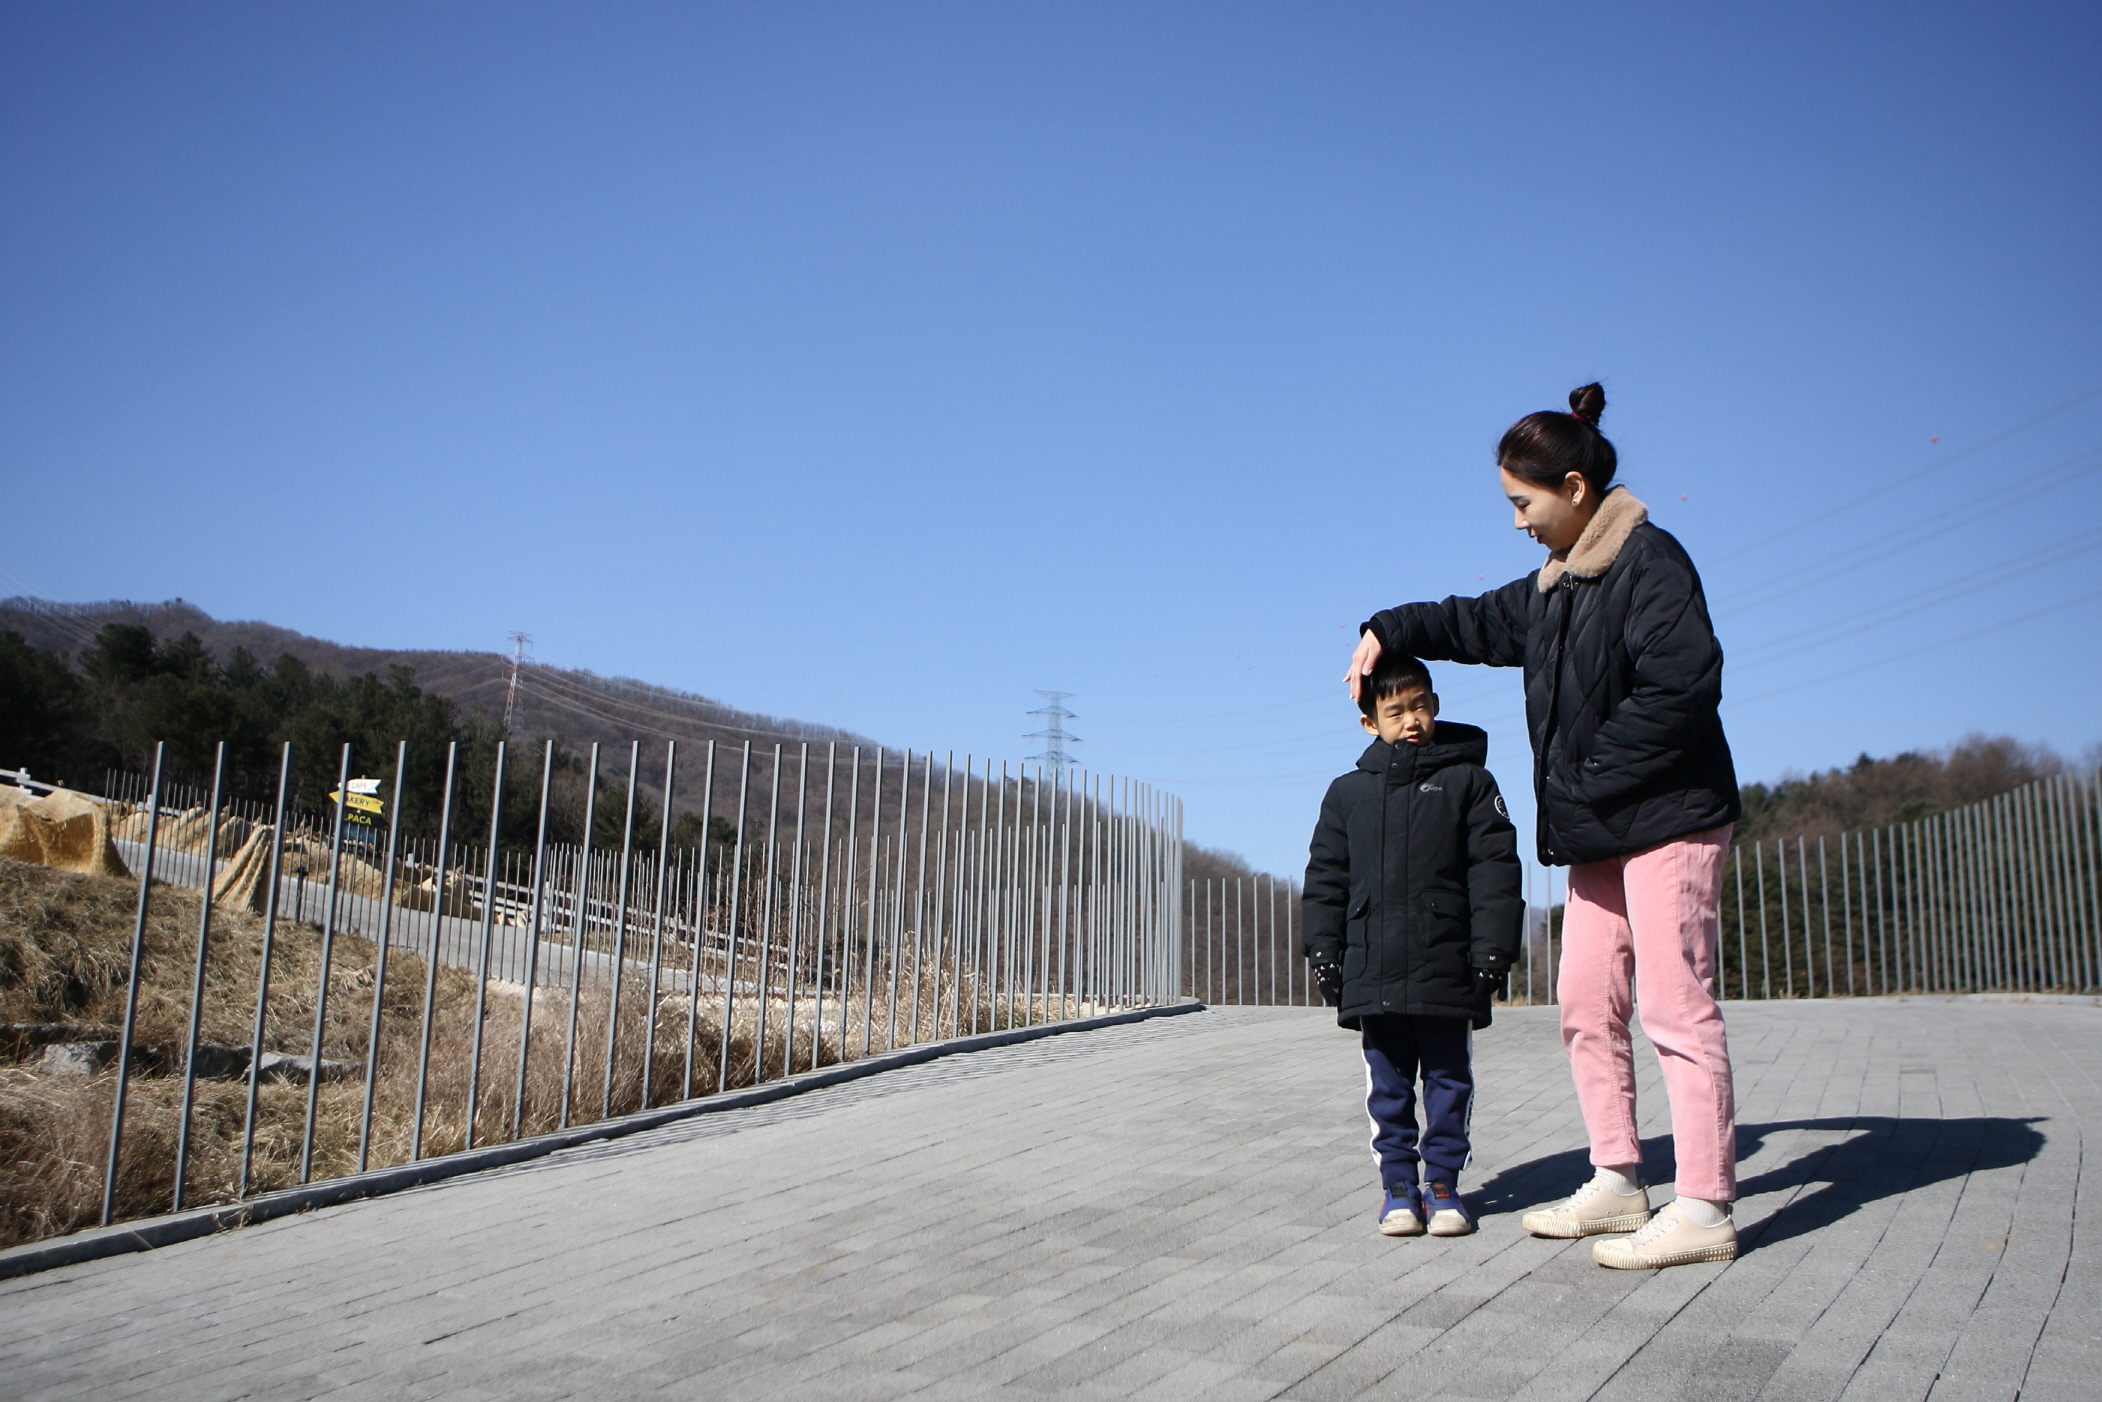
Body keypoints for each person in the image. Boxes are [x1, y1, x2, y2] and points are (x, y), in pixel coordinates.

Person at [1344, 383, 1743, 1270]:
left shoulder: (1649, 563)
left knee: (1674, 1007)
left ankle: (1706, 1204)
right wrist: (1385, 627)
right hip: (1602, 833)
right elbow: (1472, 622)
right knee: (1586, 1004)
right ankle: (1618, 1178)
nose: (1517, 522)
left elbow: (1683, 687)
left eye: (1523, 504)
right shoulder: (1556, 588)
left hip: (1670, 820)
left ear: (1573, 488)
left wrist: (1586, 779)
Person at [1302, 649, 1522, 1239]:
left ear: (1436, 705)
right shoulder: (1346, 794)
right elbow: (1325, 879)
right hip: (1372, 967)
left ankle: (1443, 1184)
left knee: (1449, 1081)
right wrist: (1323, 952)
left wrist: (1493, 951)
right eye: (1395, 711)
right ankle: (1398, 1186)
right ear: (1369, 722)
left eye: (1420, 706)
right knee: (1388, 1084)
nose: (1411, 721)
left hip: (1447, 964)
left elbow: (1495, 872)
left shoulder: (1470, 783)